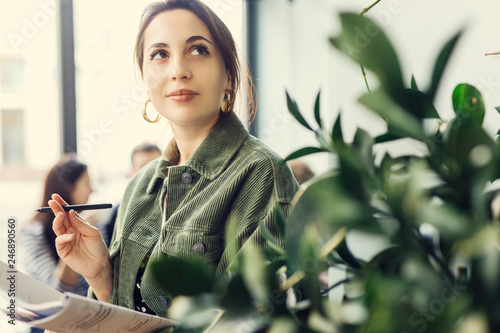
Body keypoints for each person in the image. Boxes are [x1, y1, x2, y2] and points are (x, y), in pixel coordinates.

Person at [47, 0, 299, 319]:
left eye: (198, 50)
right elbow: (129, 314)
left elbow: (249, 321)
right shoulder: (140, 185)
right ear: (145, 78)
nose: (178, 70)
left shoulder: (264, 176)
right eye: (160, 54)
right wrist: (101, 277)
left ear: (229, 77)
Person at [20, 158, 95, 332]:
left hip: (87, 319)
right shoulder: (33, 232)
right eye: (87, 183)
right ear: (69, 188)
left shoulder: (90, 225)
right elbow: (57, 294)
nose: (93, 189)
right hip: (50, 322)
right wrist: (73, 241)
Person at [103, 142, 162, 246]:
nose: (151, 174)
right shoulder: (119, 212)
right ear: (132, 172)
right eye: (143, 168)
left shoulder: (172, 206)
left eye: (156, 167)